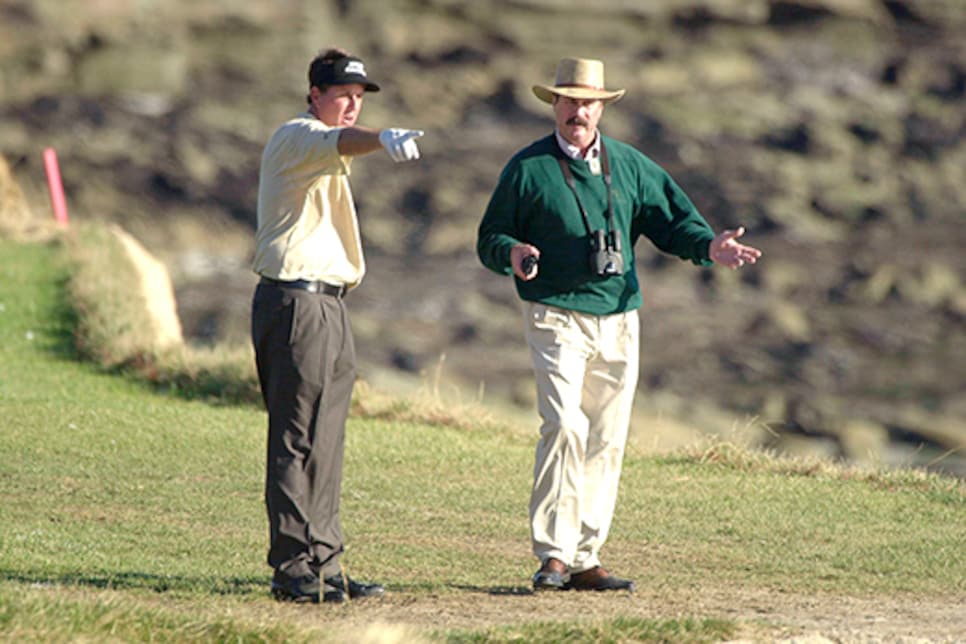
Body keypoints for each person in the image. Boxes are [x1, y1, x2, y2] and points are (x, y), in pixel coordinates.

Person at [477, 57, 761, 593]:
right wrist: (511, 252)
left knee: (606, 438)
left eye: (587, 102)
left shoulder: (630, 165)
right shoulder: (527, 168)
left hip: (620, 317)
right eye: (568, 101)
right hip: (554, 312)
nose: (577, 111)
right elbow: (489, 236)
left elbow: (673, 221)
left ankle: (586, 557)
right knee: (564, 426)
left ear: (601, 108)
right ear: (554, 106)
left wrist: (710, 246)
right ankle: (553, 555)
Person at [250, 47, 424, 603]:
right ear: (315, 95)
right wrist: (383, 137)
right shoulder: (296, 136)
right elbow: (339, 142)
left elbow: (340, 146)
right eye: (342, 94)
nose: (351, 104)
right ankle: (292, 566)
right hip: (296, 303)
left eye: (358, 97)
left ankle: (323, 563)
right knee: (296, 436)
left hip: (329, 303)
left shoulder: (321, 150)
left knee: (326, 439)